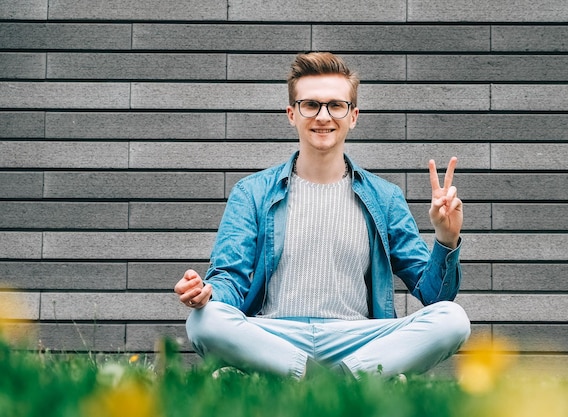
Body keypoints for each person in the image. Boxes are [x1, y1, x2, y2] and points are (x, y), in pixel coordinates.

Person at [174, 52, 470, 379]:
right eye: (310, 104)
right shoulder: (252, 193)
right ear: (291, 114)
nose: (323, 116)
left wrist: (446, 238)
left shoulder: (385, 197)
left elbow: (434, 296)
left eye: (336, 105)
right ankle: (340, 378)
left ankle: (317, 378)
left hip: (356, 339)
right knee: (204, 320)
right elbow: (231, 276)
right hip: (275, 335)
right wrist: (209, 292)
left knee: (452, 319)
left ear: (353, 116)